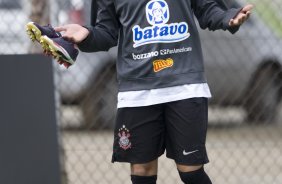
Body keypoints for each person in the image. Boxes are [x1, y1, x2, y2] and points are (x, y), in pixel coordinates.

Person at [55, 0, 253, 183]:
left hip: (185, 87)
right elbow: (106, 32)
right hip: (136, 92)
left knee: (191, 172)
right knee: (142, 171)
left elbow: (208, 8)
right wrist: (85, 34)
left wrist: (229, 18)